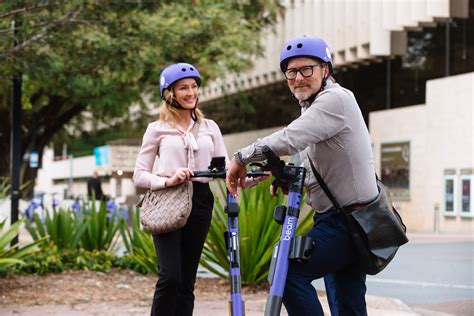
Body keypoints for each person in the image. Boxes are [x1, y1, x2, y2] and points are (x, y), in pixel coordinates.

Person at [226, 35, 378, 316]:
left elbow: (290, 138)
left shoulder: (336, 99)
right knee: (348, 306)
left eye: (306, 69)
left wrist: (240, 157)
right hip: (344, 219)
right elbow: (319, 163)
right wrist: (287, 179)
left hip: (348, 222)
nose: (298, 78)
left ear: (326, 70)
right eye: (291, 72)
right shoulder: (314, 104)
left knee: (286, 272)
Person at [132, 62, 229, 316]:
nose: (191, 93)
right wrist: (166, 180)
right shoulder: (157, 129)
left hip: (200, 201)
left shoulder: (210, 127)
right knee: (171, 277)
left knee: (187, 281)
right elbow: (139, 175)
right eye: (183, 88)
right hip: (167, 200)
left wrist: (250, 177)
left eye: (194, 87)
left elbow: (226, 168)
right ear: (169, 94)